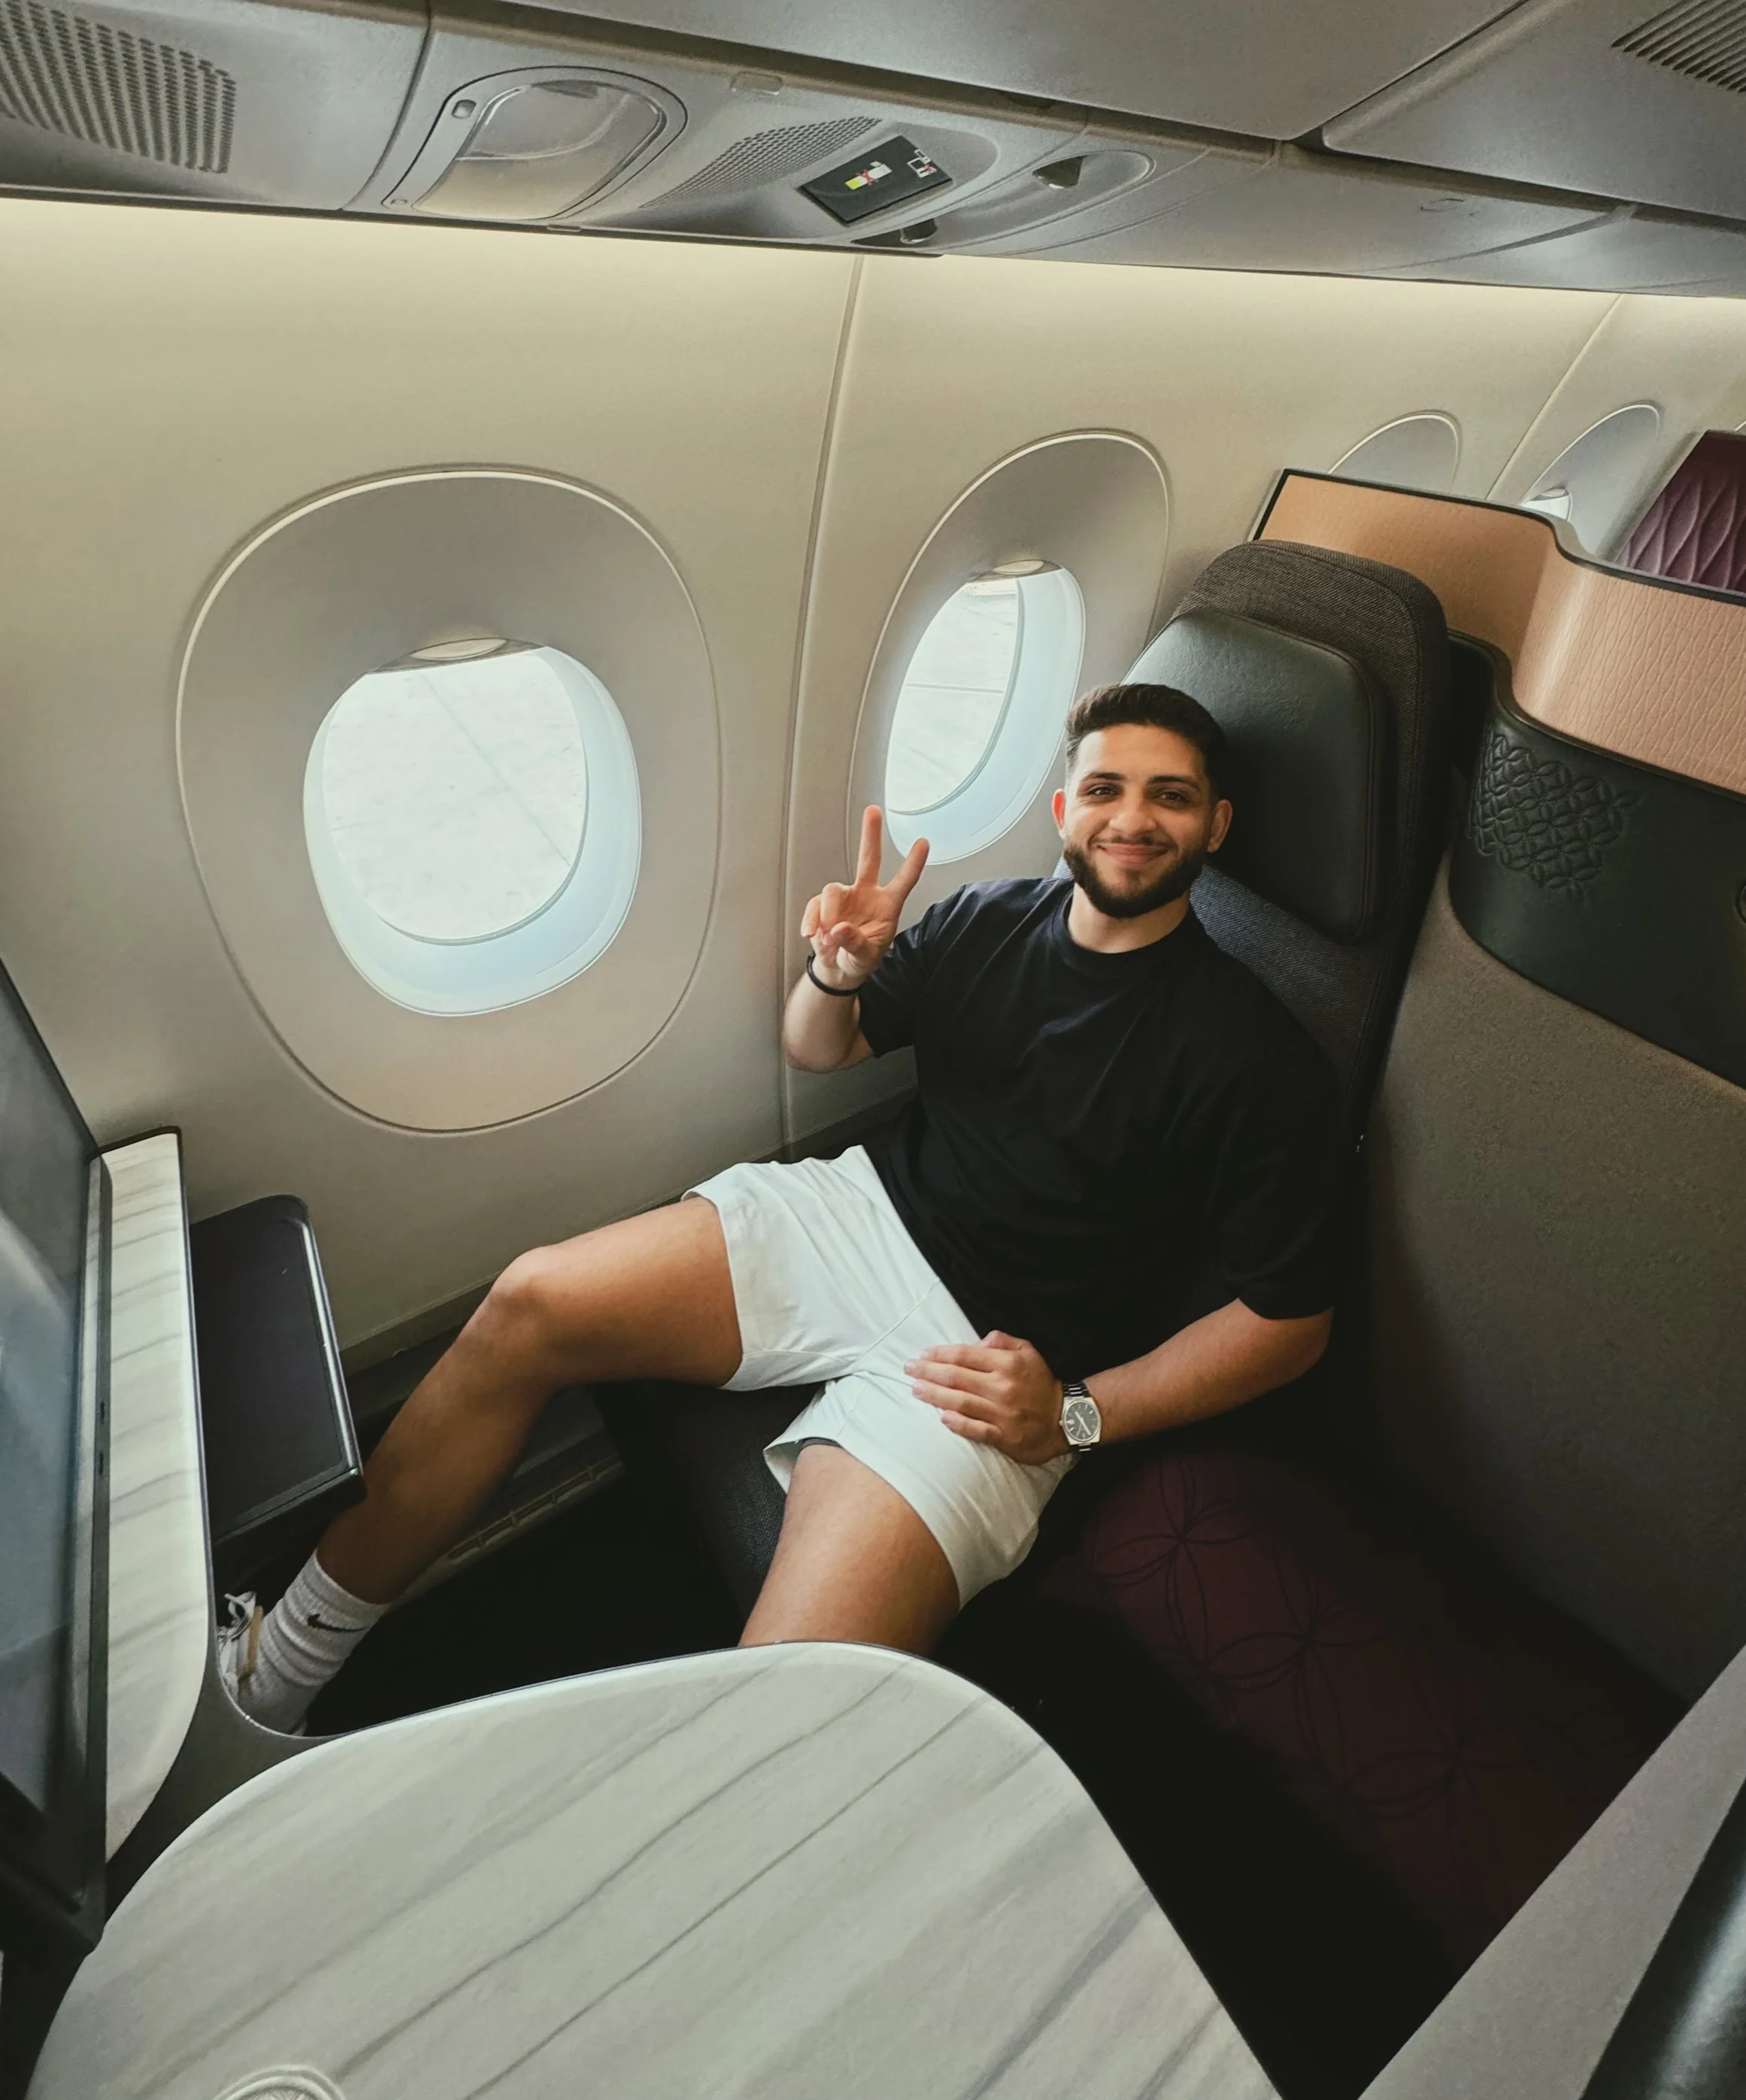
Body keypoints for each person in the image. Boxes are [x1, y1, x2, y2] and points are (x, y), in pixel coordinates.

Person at [220, 682, 1345, 1730]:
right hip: (860, 1221)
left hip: (993, 1359)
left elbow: (1291, 1325)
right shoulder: (989, 920)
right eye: (1105, 789)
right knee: (532, 1301)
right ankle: (280, 1668)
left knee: (780, 1704)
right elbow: (822, 1049)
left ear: (1217, 827)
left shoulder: (1253, 1053)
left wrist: (1079, 1413)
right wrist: (839, 971)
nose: (1132, 819)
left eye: (1170, 797)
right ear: (1064, 810)